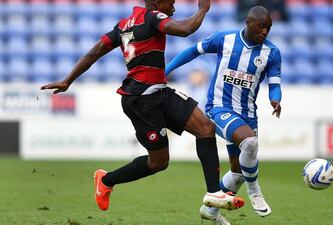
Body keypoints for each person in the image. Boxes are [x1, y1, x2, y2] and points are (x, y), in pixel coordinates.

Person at [40, 0, 245, 213]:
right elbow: (186, 29)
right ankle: (106, 180)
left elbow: (95, 52)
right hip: (141, 100)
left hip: (159, 92)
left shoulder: (123, 25)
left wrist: (68, 80)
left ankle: (213, 192)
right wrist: (203, 9)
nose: (173, 6)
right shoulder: (153, 17)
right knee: (158, 162)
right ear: (158, 3)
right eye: (171, 2)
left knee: (205, 127)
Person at [166, 6, 282, 224]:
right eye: (261, 27)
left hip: (247, 114)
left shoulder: (272, 53)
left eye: (268, 28)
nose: (265, 32)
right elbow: (193, 51)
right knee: (250, 142)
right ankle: (255, 191)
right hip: (219, 107)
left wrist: (276, 98)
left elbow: (275, 84)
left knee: (237, 173)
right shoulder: (224, 39)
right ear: (248, 22)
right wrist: (166, 70)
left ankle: (209, 211)